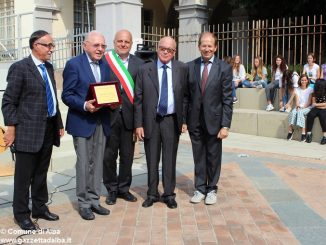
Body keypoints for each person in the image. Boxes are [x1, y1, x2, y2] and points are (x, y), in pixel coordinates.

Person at [2, 30, 64, 230]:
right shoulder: (20, 68)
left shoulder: (48, 67)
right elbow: (9, 102)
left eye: (52, 45)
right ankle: (21, 214)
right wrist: (11, 128)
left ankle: (39, 207)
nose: (51, 49)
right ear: (35, 45)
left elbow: (52, 97)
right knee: (24, 176)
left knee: (41, 173)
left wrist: (59, 123)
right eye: (48, 45)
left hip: (48, 128)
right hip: (27, 131)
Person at [62, 30, 111, 220]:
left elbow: (106, 90)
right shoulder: (73, 64)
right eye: (96, 45)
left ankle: (94, 200)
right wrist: (84, 105)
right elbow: (67, 95)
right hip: (82, 121)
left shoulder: (105, 65)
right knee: (83, 163)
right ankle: (83, 204)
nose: (100, 49)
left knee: (98, 162)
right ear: (85, 45)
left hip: (101, 121)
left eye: (103, 46)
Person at [134, 36, 188, 209]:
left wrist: (184, 120)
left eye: (169, 49)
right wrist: (138, 124)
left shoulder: (182, 68)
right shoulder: (145, 69)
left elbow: (186, 97)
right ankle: (152, 193)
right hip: (151, 121)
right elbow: (138, 99)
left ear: (174, 52)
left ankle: (169, 194)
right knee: (151, 158)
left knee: (169, 159)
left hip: (172, 121)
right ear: (158, 49)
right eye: (162, 48)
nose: (165, 51)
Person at [186, 32, 233, 205]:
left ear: (216, 47)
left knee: (213, 156)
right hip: (195, 121)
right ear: (199, 46)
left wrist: (225, 125)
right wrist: (184, 120)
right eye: (203, 45)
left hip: (215, 121)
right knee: (198, 156)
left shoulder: (224, 68)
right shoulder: (190, 66)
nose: (206, 48)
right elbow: (186, 97)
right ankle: (199, 188)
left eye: (210, 45)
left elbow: (227, 99)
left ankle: (212, 188)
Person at [103, 29, 145, 205]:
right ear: (114, 43)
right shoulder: (105, 61)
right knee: (109, 156)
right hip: (109, 116)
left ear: (131, 44)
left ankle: (124, 189)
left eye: (126, 42)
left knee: (127, 156)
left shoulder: (139, 64)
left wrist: (139, 123)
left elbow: (141, 96)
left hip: (129, 117)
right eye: (119, 41)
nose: (123, 44)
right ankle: (112, 190)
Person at [287, 74, 313, 142]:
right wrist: (298, 106)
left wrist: (302, 108)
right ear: (300, 81)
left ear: (307, 81)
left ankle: (303, 133)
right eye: (302, 80)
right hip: (299, 106)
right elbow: (297, 101)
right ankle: (290, 130)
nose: (303, 81)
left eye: (305, 80)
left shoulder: (310, 89)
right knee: (292, 112)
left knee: (300, 112)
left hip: (307, 107)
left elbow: (309, 102)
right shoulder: (297, 89)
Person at [305, 79, 326, 144]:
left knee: (323, 117)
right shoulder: (314, 93)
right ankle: (309, 133)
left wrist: (318, 105)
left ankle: (325, 136)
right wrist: (322, 105)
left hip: (323, 109)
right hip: (317, 108)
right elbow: (314, 104)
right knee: (310, 115)